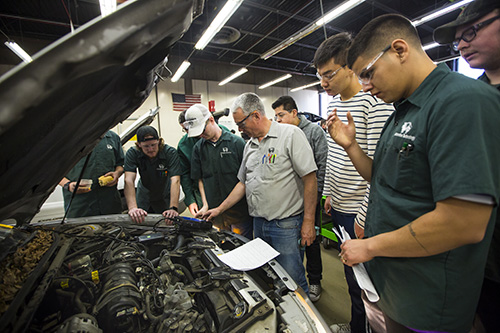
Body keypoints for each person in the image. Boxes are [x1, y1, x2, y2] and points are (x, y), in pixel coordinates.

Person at [327, 13, 500, 332]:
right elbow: (382, 180)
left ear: (400, 49)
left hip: (427, 297)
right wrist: (351, 146)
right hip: (395, 286)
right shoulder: (402, 111)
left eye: (368, 73)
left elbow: (463, 223)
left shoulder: (461, 101)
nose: (365, 87)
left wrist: (370, 246)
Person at [313, 32, 394, 332]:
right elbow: (336, 157)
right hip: (342, 208)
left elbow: (380, 170)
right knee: (353, 278)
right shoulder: (334, 106)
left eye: (328, 75)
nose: (323, 83)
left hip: (364, 213)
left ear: (350, 67)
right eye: (320, 76)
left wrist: (363, 216)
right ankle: (357, 325)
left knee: (370, 287)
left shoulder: (374, 103)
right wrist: (330, 196)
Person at [201, 92, 318, 295]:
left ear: (256, 115)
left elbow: (310, 179)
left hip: (286, 226)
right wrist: (219, 209)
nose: (239, 129)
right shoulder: (250, 145)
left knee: (293, 279)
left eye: (241, 123)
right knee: (268, 276)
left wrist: (308, 221)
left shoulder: (290, 135)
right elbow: (242, 184)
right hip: (259, 224)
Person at [434, 1, 500, 331]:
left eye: (472, 31)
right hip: (480, 259)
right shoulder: (471, 97)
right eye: (457, 38)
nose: (461, 44)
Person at [272, 95, 327, 302]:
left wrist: (313, 200)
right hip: (289, 202)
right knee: (292, 247)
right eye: (275, 116)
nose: (278, 120)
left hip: (309, 199)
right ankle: (292, 283)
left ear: (294, 112)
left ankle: (314, 281)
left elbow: (322, 166)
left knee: (311, 241)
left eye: (281, 115)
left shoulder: (314, 132)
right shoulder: (281, 133)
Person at [185, 104, 253, 239]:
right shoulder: (198, 148)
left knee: (241, 248)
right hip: (215, 216)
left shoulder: (236, 143)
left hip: (238, 214)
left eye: (202, 130)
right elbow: (200, 179)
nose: (201, 134)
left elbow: (245, 180)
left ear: (211, 120)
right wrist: (205, 205)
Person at [59, 130, 124, 217]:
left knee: (112, 230)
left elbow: (120, 164)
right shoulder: (67, 140)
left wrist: (117, 173)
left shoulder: (113, 137)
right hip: (80, 206)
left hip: (109, 203)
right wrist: (67, 185)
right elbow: (51, 171)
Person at [124, 126, 181, 223]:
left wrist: (173, 208)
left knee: (167, 224)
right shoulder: (133, 153)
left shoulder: (169, 153)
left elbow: (175, 180)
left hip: (164, 195)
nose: (150, 149)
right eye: (146, 146)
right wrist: (133, 208)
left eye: (153, 145)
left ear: (159, 141)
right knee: (140, 223)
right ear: (139, 145)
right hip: (144, 195)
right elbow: (128, 180)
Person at [177, 110, 204, 216]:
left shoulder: (219, 134)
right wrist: (190, 201)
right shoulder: (184, 145)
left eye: (188, 128)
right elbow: (185, 175)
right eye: (184, 129)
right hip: (200, 193)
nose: (188, 132)